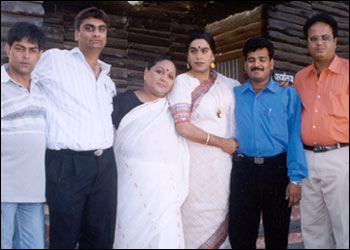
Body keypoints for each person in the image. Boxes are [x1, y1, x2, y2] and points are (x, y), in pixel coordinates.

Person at [33, 7, 117, 249]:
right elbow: (23, 74)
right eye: (89, 28)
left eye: (101, 29)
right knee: (65, 235)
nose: (96, 34)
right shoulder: (55, 60)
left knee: (101, 235)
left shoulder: (107, 78)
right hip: (66, 164)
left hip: (104, 165)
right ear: (76, 34)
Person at [228, 37, 308, 249]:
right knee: (240, 235)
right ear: (245, 65)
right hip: (243, 170)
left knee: (277, 234)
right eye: (252, 60)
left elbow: (294, 137)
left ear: (272, 63)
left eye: (262, 59)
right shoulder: (234, 95)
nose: (257, 64)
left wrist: (296, 179)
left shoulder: (288, 94)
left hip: (277, 170)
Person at [167, 31, 239, 249]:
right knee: (193, 216)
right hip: (193, 164)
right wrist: (221, 142)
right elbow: (182, 126)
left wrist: (282, 85)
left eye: (204, 50)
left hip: (222, 167)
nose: (199, 56)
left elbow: (255, 94)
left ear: (213, 56)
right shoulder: (182, 83)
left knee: (219, 211)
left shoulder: (229, 85)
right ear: (187, 57)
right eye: (193, 51)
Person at [112, 57, 190, 249]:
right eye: (159, 71)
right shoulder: (122, 102)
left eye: (170, 76)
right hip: (129, 186)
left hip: (164, 193)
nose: (164, 78)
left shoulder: (170, 110)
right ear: (146, 72)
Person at [294, 14, 349, 249]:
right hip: (308, 159)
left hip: (340, 157)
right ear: (307, 43)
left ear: (335, 41)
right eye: (313, 38)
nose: (319, 43)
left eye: (325, 38)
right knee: (312, 226)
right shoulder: (300, 78)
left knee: (344, 223)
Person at [1, 22, 46, 249]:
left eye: (32, 50)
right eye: (19, 48)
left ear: (40, 55)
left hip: (33, 191)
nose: (25, 55)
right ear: (8, 49)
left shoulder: (42, 89)